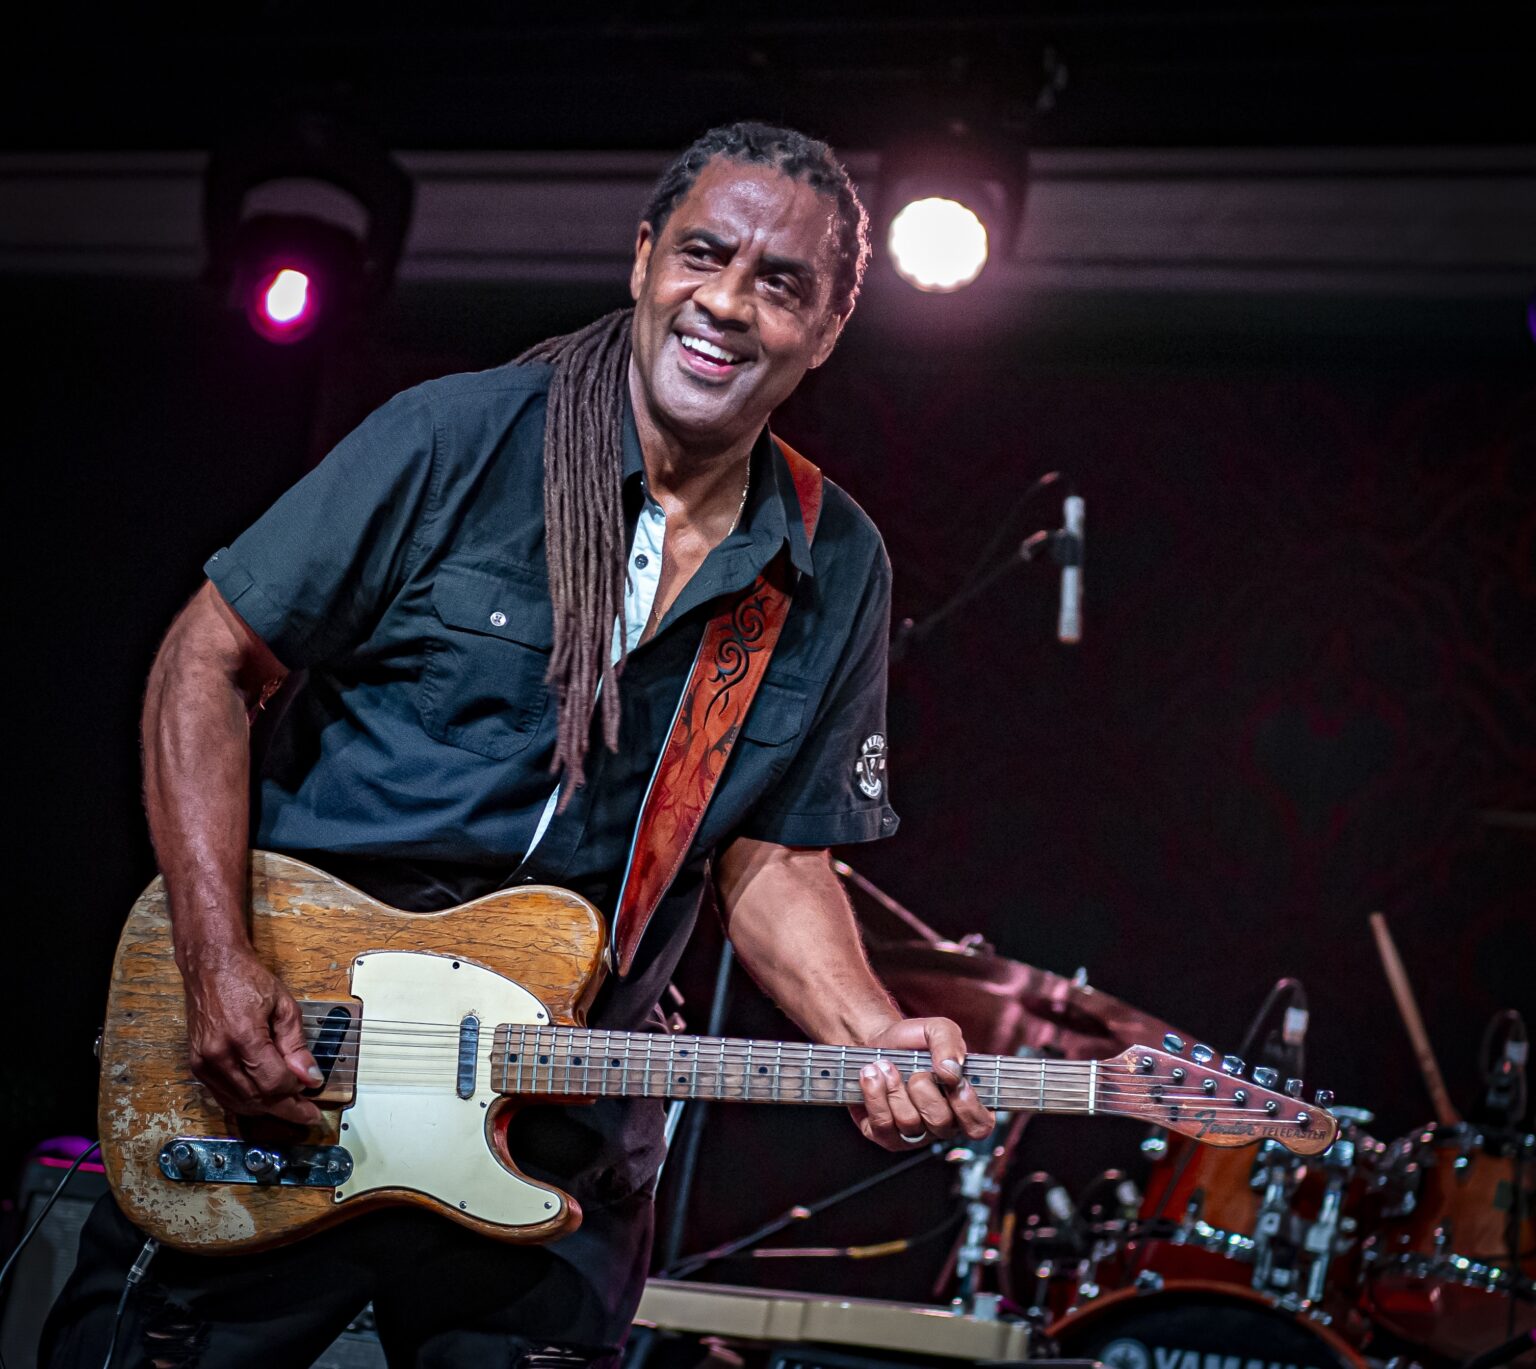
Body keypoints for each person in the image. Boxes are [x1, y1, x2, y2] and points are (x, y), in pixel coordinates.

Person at [44, 121, 993, 1369]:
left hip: (557, 1123)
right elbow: (205, 662)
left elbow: (777, 858)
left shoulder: (834, 562)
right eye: (705, 253)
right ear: (645, 255)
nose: (728, 301)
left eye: (781, 284)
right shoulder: (458, 439)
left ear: (823, 333)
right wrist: (220, 961)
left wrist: (870, 1034)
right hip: (294, 1054)